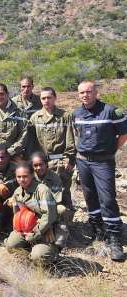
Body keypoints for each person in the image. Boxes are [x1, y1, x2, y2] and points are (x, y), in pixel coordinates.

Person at [72, 80, 126, 261]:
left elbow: (124, 133)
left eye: (88, 92)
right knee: (90, 198)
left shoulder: (110, 111)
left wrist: (112, 151)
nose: (85, 95)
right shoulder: (77, 113)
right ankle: (98, 233)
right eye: (81, 93)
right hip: (83, 162)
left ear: (96, 92)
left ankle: (114, 239)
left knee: (108, 199)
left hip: (103, 163)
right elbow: (77, 134)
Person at [29, 87, 75, 209]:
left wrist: (70, 159)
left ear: (55, 98)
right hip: (42, 163)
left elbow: (71, 139)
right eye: (43, 98)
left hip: (61, 162)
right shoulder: (35, 118)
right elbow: (31, 142)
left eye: (49, 97)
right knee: (44, 192)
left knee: (63, 193)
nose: (46, 100)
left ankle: (65, 222)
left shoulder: (65, 116)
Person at [5, 162, 58, 266]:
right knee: (11, 245)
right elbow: (17, 214)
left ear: (32, 175)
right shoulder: (17, 192)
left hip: (45, 230)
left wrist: (35, 234)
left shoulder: (42, 190)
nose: (21, 179)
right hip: (26, 229)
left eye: (25, 176)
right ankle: (30, 249)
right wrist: (18, 230)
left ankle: (53, 252)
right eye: (18, 177)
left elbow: (49, 216)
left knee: (39, 257)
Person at [31, 152, 70, 249]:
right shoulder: (29, 177)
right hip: (34, 208)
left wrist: (46, 224)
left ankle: (60, 230)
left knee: (61, 209)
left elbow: (53, 202)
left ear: (46, 164)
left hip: (50, 208)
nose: (38, 168)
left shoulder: (54, 178)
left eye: (41, 164)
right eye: (35, 165)